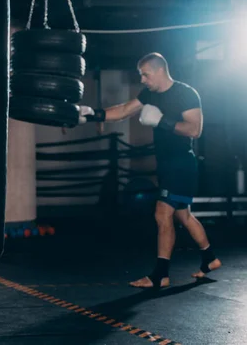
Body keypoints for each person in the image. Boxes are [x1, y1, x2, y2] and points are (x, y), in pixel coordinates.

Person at [80, 52, 221, 289]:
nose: (142, 80)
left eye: (145, 75)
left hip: (181, 164)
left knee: (162, 213)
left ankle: (160, 275)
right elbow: (125, 109)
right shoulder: (150, 94)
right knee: (183, 216)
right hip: (166, 164)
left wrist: (162, 121)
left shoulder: (185, 93)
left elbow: (194, 130)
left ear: (159, 71)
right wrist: (95, 114)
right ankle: (210, 258)